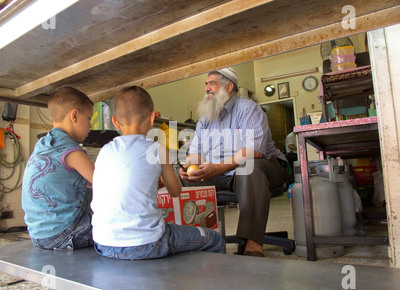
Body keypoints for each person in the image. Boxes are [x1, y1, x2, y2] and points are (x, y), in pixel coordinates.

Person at [91, 86, 224, 260]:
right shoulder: (157, 150)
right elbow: (175, 191)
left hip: (103, 243)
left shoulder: (105, 150)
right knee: (214, 239)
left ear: (115, 122)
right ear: (152, 117)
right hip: (146, 243)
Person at [179, 68, 287, 257]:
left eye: (211, 83)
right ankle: (192, 240)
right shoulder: (205, 119)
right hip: (222, 173)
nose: (207, 88)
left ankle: (253, 244)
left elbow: (254, 151)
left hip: (265, 167)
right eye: (206, 84)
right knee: (180, 178)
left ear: (229, 87)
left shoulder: (248, 109)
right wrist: (188, 167)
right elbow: (195, 152)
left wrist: (217, 168)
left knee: (248, 168)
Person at [22, 87, 95, 250]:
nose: (90, 125)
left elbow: (82, 180)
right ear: (74, 115)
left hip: (38, 234)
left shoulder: (43, 146)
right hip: (63, 232)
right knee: (115, 228)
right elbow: (103, 182)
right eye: (89, 118)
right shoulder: (72, 151)